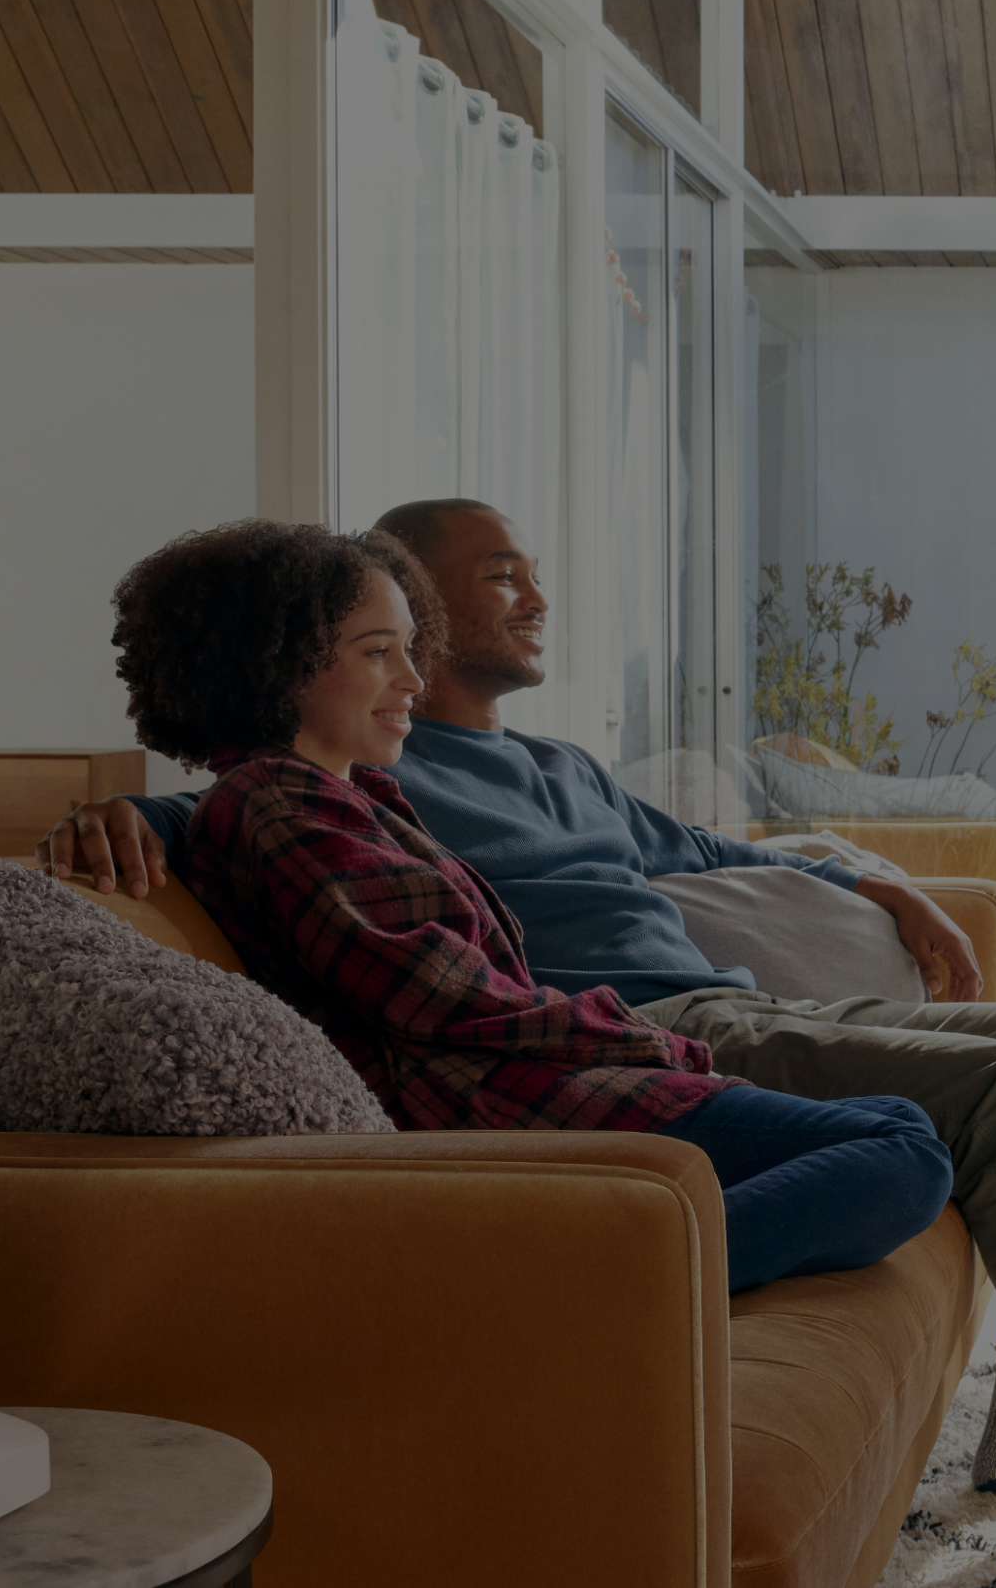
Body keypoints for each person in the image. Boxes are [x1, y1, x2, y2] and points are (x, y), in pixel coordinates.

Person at [58, 503, 996, 1568]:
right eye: (484, 580)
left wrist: (870, 876)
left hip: (707, 1014)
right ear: (331, 643)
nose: (526, 598)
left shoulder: (520, 770)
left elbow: (702, 847)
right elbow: (250, 825)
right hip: (618, 1046)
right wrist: (118, 820)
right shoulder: (350, 786)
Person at [107, 519, 951, 1295]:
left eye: (410, 647)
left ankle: (645, 1249)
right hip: (491, 1105)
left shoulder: (354, 794)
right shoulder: (279, 804)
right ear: (277, 664)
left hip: (527, 1084)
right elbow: (448, 1005)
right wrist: (644, 1039)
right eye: (377, 653)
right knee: (902, 1151)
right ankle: (589, 1283)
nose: (412, 677)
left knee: (898, 1125)